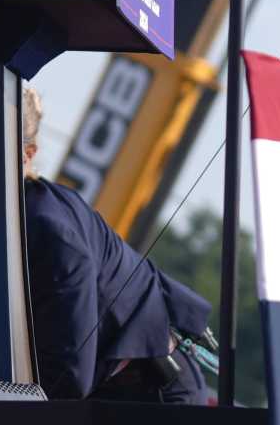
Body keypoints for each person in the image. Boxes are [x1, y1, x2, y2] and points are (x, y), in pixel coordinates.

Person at [21, 87, 213, 404]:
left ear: (28, 154)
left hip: (152, 394)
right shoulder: (24, 213)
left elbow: (68, 375)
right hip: (109, 387)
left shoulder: (50, 231)